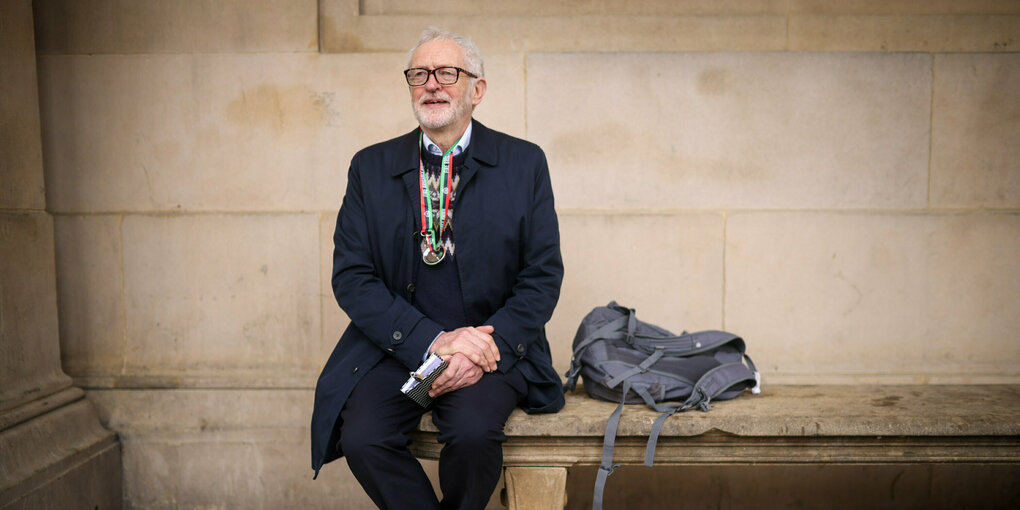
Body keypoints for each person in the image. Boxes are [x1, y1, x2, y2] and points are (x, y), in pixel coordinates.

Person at [310, 27, 565, 509]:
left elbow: (542, 275)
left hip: (490, 351)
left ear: (477, 89)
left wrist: (477, 348)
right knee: (362, 438)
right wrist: (434, 341)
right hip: (400, 348)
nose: (432, 84)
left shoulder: (523, 163)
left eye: (448, 73)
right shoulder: (370, 166)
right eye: (419, 74)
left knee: (472, 436)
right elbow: (352, 276)